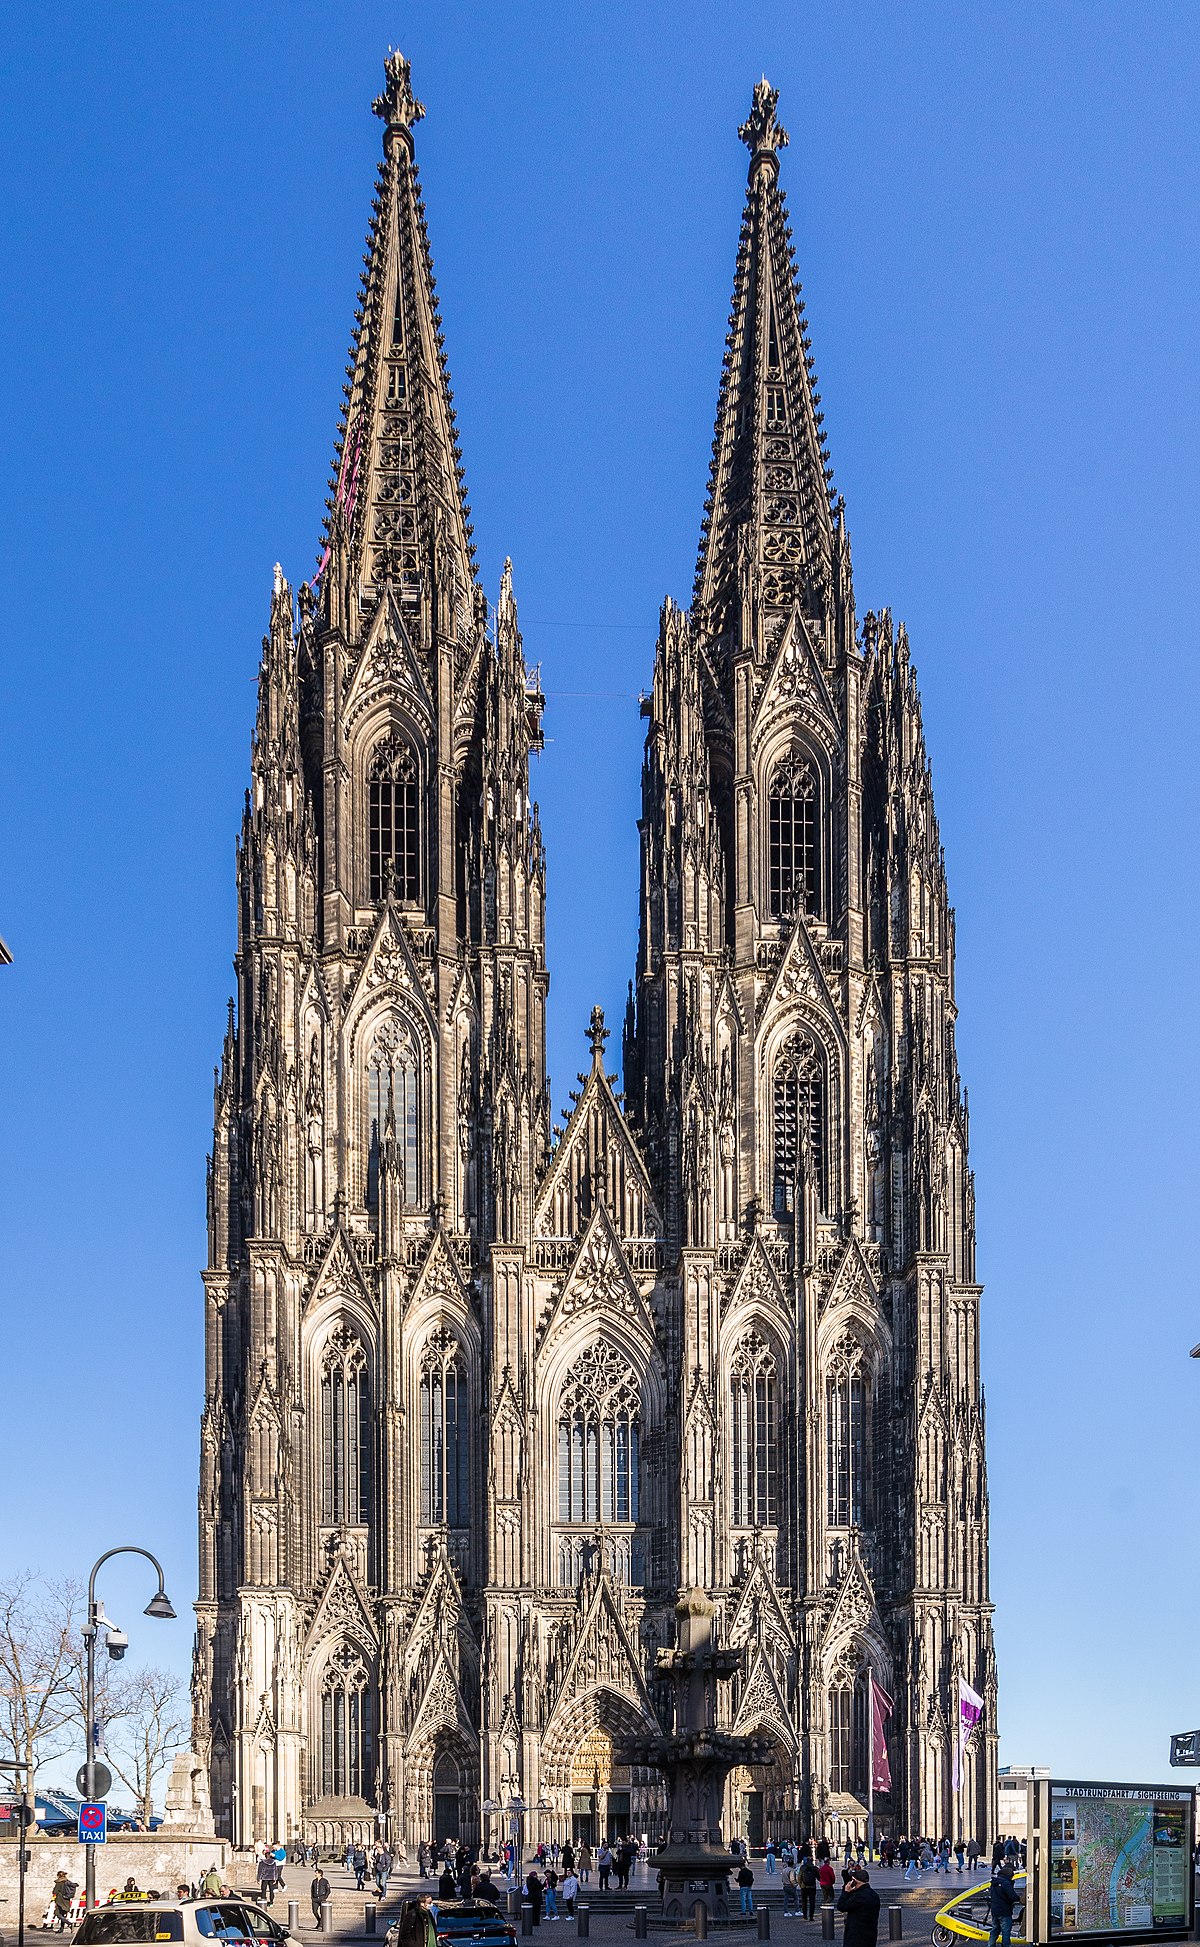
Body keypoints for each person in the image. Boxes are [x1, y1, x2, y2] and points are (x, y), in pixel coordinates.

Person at [836, 1868, 881, 1947]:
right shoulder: (874, 1894)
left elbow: (841, 1906)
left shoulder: (859, 1896)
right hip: (870, 1934)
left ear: (855, 1881)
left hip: (856, 1935)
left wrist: (846, 1892)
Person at [988, 1865, 1019, 1947]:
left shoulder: (994, 1882)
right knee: (1006, 1931)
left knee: (994, 1929)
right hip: (1005, 1911)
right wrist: (1019, 1898)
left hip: (995, 1910)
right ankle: (1006, 1945)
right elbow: (1013, 1897)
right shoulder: (1006, 1883)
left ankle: (990, 1944)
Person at [798, 1855, 819, 1923]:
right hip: (812, 1887)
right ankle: (811, 1916)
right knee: (812, 1902)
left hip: (804, 1887)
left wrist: (800, 1885)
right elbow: (819, 1877)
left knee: (804, 1901)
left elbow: (799, 1877)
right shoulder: (814, 1868)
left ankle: (804, 1915)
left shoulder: (802, 1867)